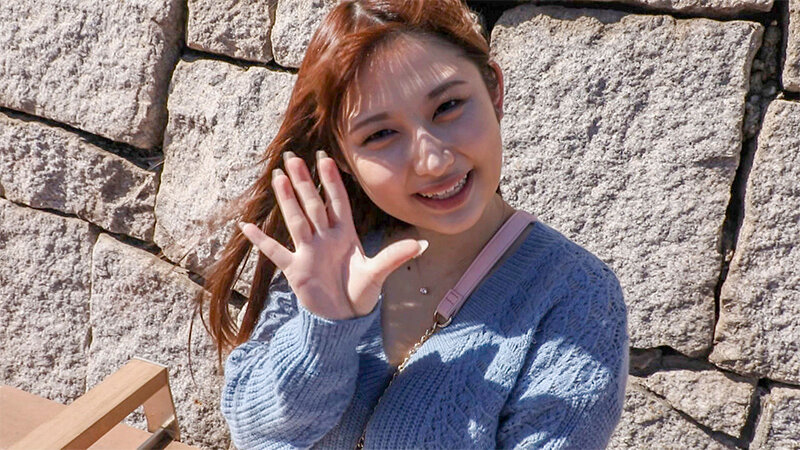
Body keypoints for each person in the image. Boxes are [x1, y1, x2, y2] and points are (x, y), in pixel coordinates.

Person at [200, 0, 629, 448]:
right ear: (343, 158)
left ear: (494, 91)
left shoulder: (577, 296)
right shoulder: (334, 252)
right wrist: (324, 327)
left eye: (448, 106)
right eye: (381, 134)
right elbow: (254, 431)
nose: (432, 162)